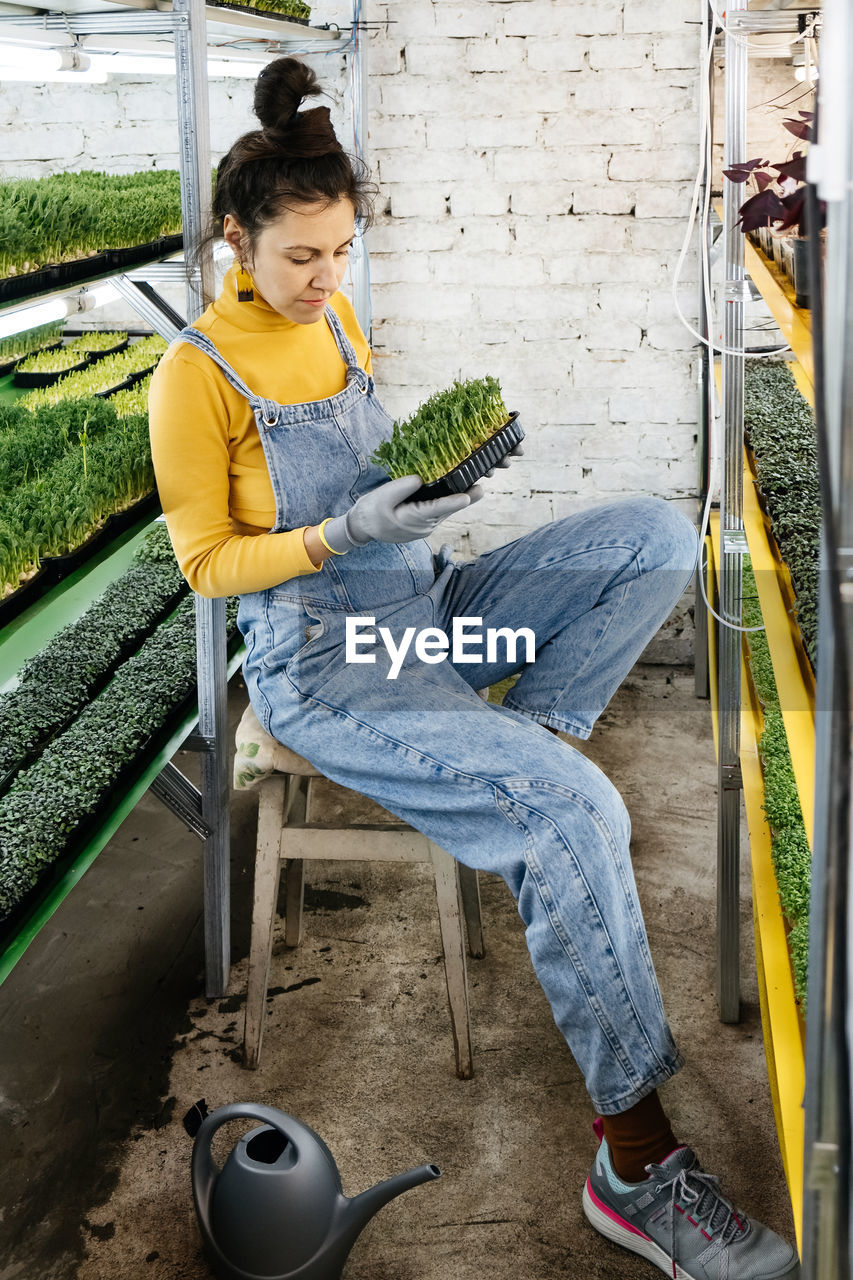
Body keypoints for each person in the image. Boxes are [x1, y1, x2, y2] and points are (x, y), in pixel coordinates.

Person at [148, 56, 799, 1280]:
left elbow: (380, 472)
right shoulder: (195, 374)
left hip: (424, 610)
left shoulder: (332, 319)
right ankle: (637, 1164)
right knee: (576, 814)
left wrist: (439, 490)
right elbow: (204, 565)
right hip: (334, 665)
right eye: (299, 256)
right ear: (236, 241)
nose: (325, 278)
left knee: (657, 534)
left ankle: (529, 743)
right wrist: (343, 533)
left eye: (340, 251)